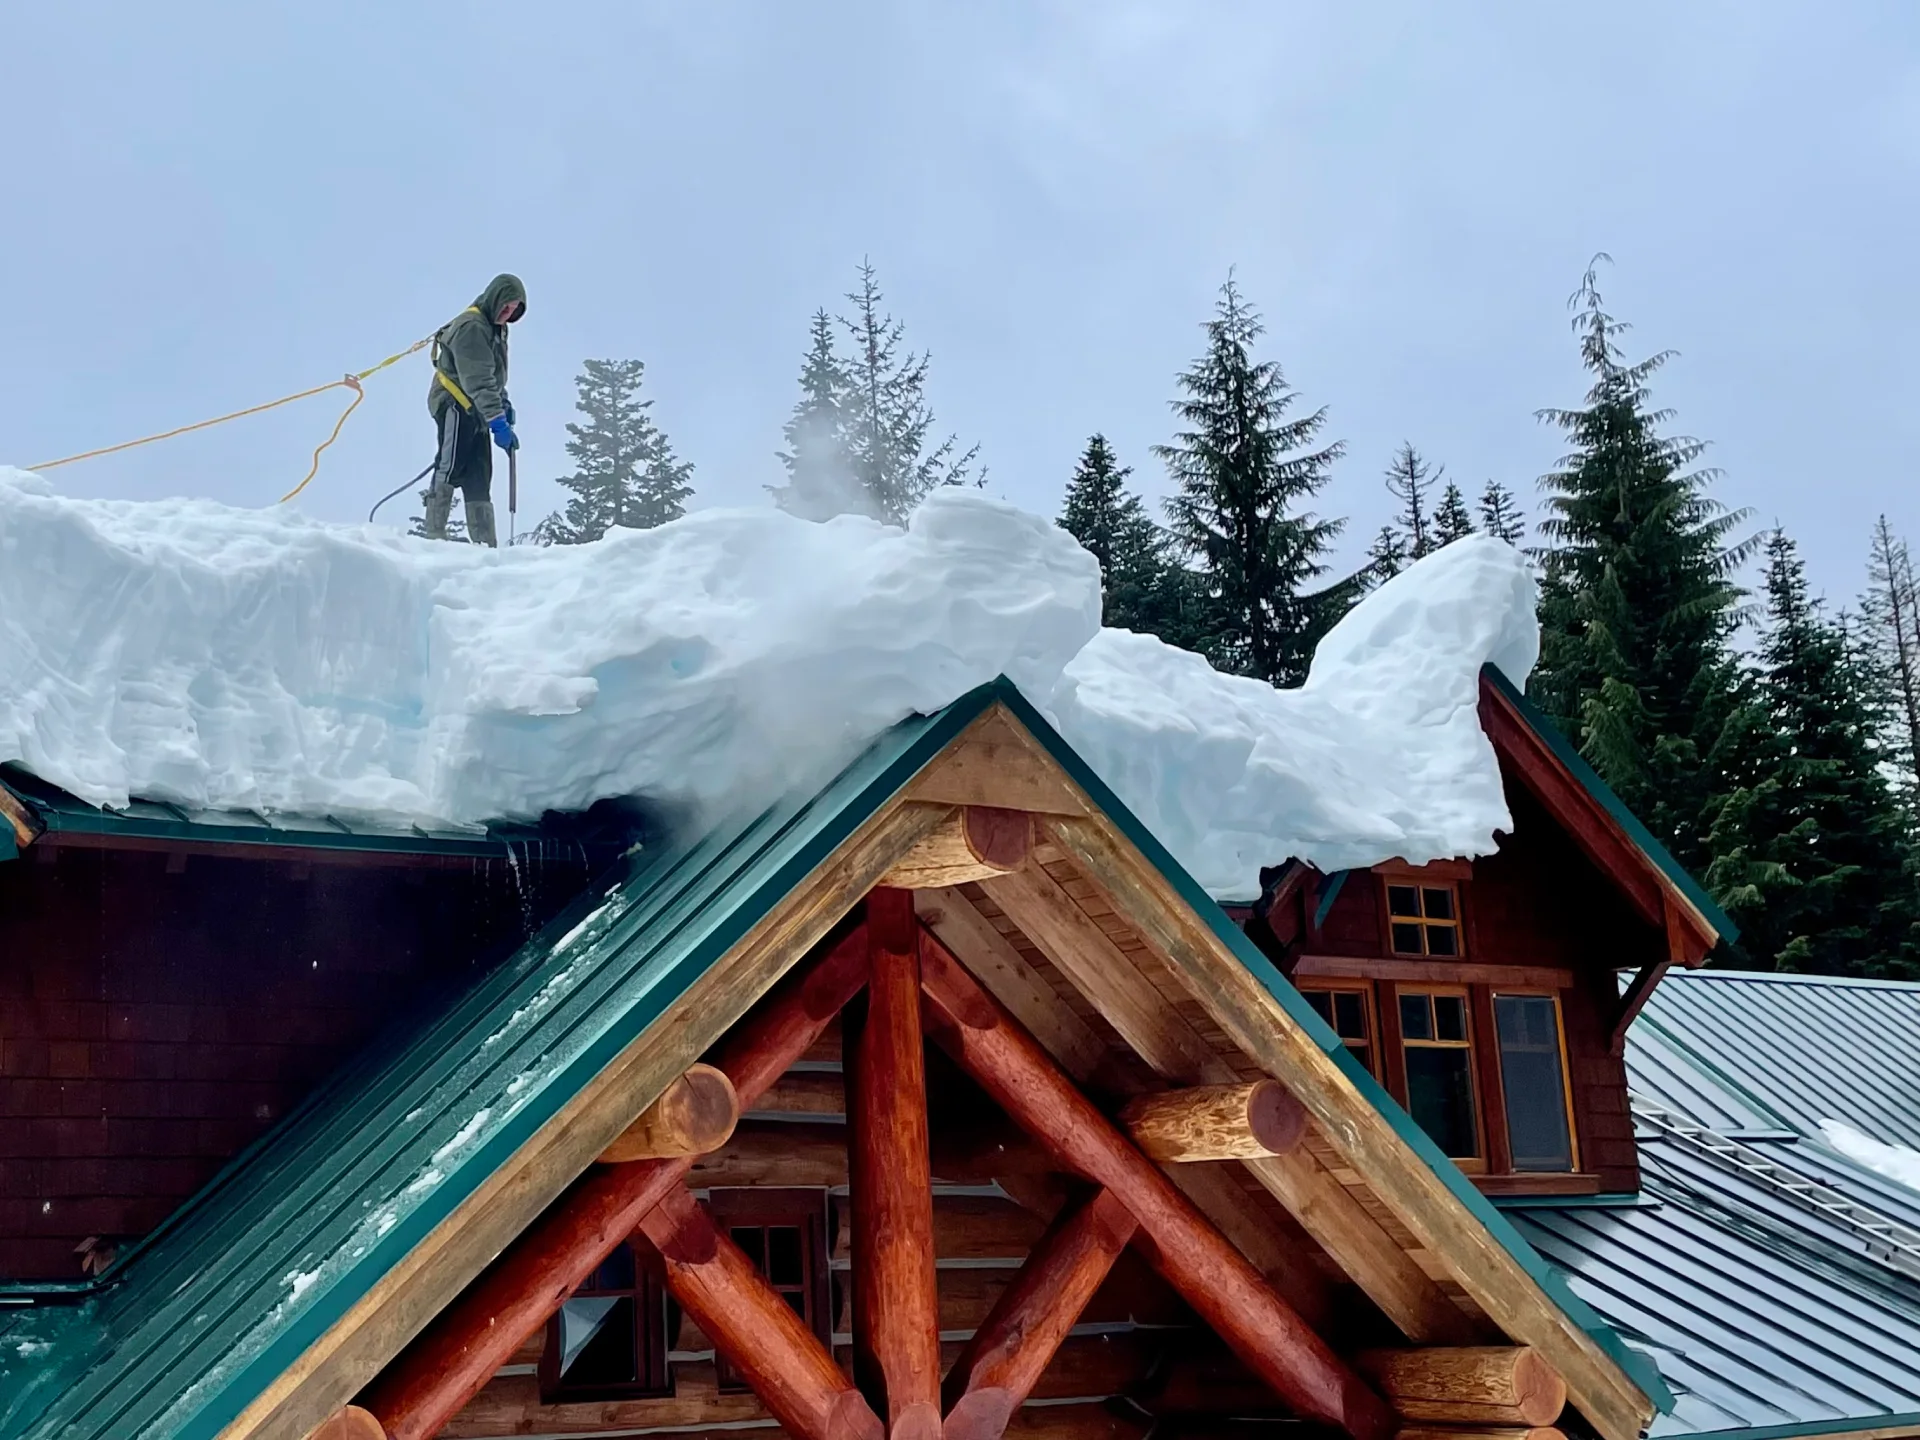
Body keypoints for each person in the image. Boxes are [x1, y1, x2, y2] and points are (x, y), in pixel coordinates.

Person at [422, 273, 526, 547]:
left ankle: (485, 546)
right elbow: (477, 380)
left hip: (477, 406)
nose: (507, 314)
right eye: (505, 307)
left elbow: (492, 376)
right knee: (451, 463)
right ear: (495, 298)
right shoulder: (472, 327)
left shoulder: (496, 328)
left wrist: (502, 403)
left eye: (514, 311)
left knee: (479, 474)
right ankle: (433, 534)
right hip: (454, 401)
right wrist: (498, 422)